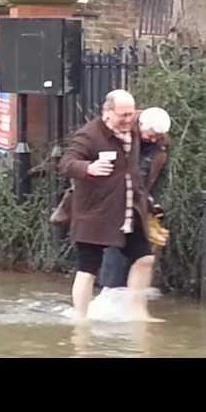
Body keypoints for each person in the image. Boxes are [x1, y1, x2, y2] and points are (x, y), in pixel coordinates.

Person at [59, 89, 158, 321]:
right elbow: (66, 163)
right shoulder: (89, 135)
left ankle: (138, 313)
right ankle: (80, 319)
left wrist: (157, 129)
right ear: (107, 113)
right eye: (122, 115)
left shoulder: (133, 127)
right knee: (88, 269)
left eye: (130, 115)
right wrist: (88, 168)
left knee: (145, 259)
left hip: (127, 210)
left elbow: (151, 123)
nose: (127, 120)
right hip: (95, 213)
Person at [99, 107, 172, 289]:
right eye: (151, 134)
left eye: (158, 136)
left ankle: (127, 293)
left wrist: (154, 203)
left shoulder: (160, 145)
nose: (154, 139)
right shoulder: (122, 137)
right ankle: (110, 290)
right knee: (115, 247)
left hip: (140, 203)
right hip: (117, 200)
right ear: (140, 126)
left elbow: (157, 177)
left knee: (140, 253)